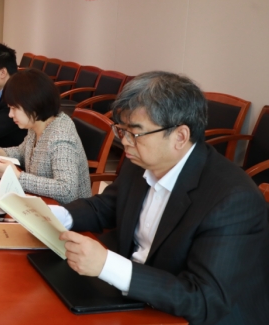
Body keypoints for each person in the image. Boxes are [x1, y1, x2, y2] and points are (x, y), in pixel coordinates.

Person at [56, 71, 269, 324]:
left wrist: (107, 265)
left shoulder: (232, 199)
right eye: (121, 130)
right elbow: (106, 207)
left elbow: (204, 299)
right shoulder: (141, 161)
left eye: (135, 133)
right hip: (137, 295)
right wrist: (55, 215)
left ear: (180, 136)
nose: (125, 142)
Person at [0, 68, 90, 202]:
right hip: (40, 203)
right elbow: (23, 151)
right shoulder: (36, 123)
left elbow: (67, 190)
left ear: (33, 104)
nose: (10, 114)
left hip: (65, 211)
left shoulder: (61, 135)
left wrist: (18, 176)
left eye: (14, 108)